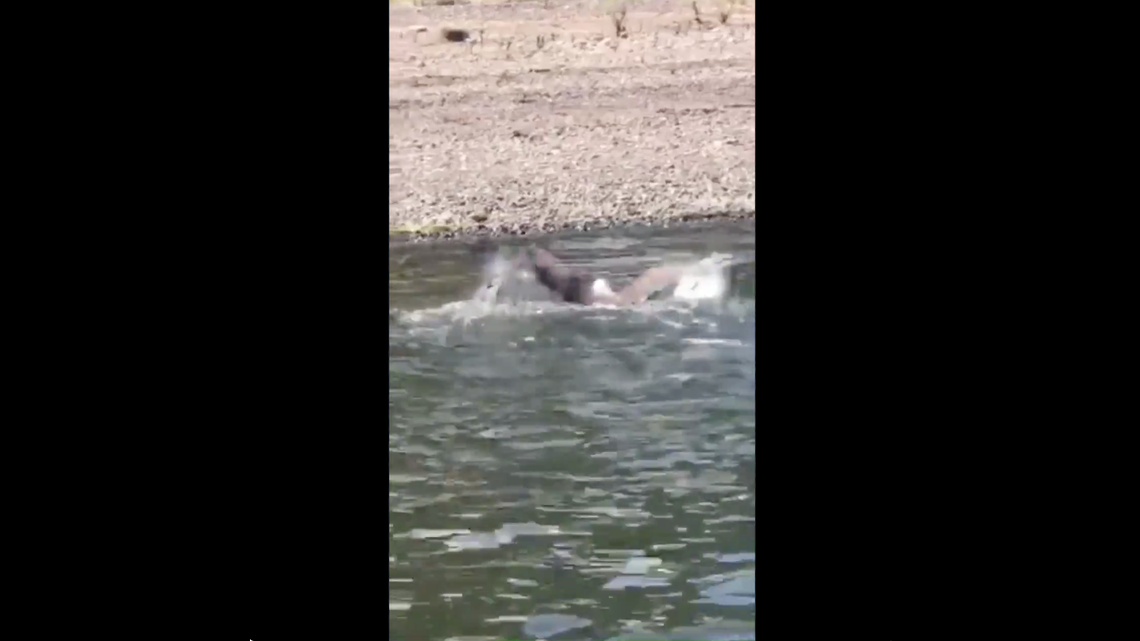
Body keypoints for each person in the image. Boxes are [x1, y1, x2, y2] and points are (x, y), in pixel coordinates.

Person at [504, 246, 691, 306]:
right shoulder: (553, 276)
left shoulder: (552, 278)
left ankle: (673, 276)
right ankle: (675, 276)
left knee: (625, 302)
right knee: (627, 300)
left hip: (585, 288)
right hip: (585, 286)